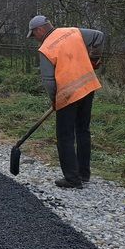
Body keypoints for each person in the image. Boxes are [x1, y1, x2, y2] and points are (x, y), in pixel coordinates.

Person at [27, 15, 105, 190]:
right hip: (88, 86)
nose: (35, 39)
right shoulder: (72, 32)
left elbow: (48, 81)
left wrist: (55, 100)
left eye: (34, 35)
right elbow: (99, 36)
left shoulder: (46, 48)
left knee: (65, 136)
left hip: (68, 94)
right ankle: (84, 174)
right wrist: (94, 59)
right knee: (83, 131)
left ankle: (72, 178)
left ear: (40, 29)